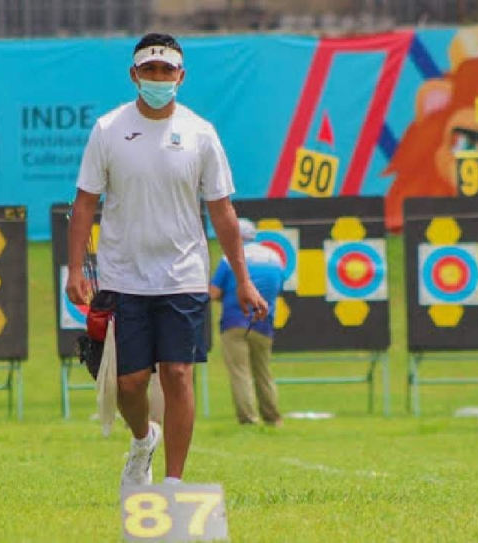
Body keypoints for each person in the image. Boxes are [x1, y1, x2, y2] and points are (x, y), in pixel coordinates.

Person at [66, 32, 268, 488]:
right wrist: (76, 270)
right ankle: (142, 441)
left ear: (182, 75)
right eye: (150, 70)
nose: (159, 78)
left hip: (183, 275)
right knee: (130, 384)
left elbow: (223, 212)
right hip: (124, 276)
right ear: (134, 74)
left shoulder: (201, 133)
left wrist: (243, 280)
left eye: (167, 70)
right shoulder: (108, 129)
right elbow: (84, 204)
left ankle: (173, 484)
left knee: (178, 374)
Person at [210, 218, 284, 426]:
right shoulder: (274, 257)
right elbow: (278, 286)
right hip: (264, 322)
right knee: (264, 372)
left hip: (234, 322)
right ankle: (273, 418)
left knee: (240, 373)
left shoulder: (229, 258)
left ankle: (249, 419)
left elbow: (214, 292)